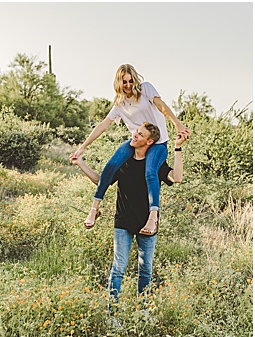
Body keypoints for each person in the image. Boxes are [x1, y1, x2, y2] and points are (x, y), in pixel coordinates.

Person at [70, 122, 185, 319]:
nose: (135, 135)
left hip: (147, 225)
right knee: (118, 269)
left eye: (140, 134)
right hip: (123, 221)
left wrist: (177, 147)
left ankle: (143, 310)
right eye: (136, 131)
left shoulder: (155, 164)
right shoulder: (123, 161)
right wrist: (81, 163)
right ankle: (112, 314)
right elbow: (102, 180)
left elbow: (177, 177)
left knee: (146, 270)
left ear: (149, 141)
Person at [69, 64, 190, 234]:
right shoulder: (119, 103)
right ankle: (94, 210)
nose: (128, 85)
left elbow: (162, 106)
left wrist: (178, 124)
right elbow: (103, 125)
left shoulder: (146, 89)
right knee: (111, 166)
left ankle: (153, 218)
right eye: (124, 82)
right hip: (136, 140)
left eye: (130, 81)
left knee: (150, 172)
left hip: (158, 142)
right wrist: (82, 148)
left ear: (135, 79)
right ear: (118, 83)